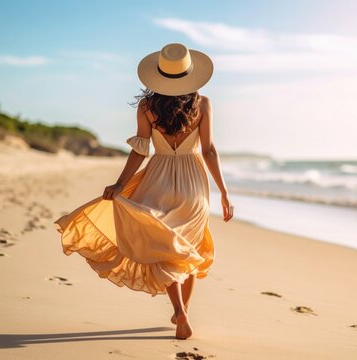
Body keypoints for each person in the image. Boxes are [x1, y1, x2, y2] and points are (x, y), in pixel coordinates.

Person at [53, 43, 234, 340]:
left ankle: (181, 311)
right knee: (187, 248)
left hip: (158, 178)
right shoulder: (203, 104)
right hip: (194, 185)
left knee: (165, 246)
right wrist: (224, 192)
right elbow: (209, 150)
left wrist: (120, 184)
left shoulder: (147, 108)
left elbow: (139, 151)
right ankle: (181, 314)